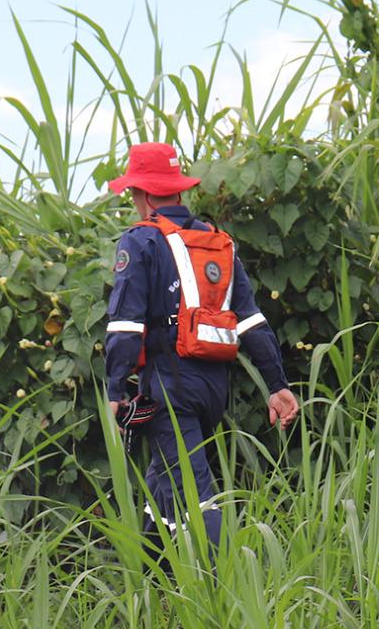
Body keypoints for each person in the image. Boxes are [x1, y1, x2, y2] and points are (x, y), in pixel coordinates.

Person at [104, 141, 299, 554]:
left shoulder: (140, 242)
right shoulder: (217, 242)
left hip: (169, 388)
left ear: (140, 193)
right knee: (164, 483)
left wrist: (115, 393)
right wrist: (276, 385)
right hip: (213, 386)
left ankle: (232, 586)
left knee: (192, 494)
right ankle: (148, 590)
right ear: (177, 189)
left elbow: (124, 325)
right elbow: (251, 321)